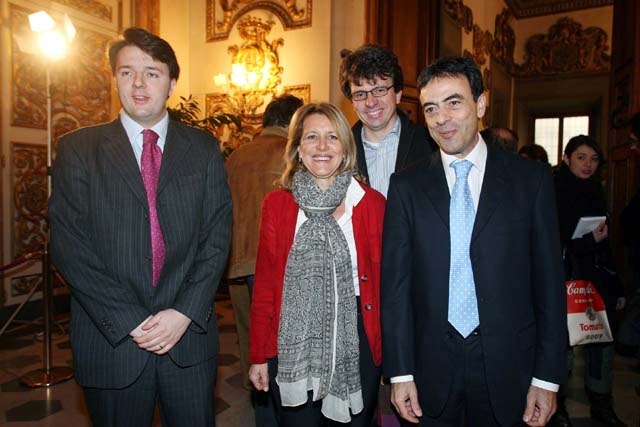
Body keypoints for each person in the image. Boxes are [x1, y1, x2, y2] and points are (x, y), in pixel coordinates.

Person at [49, 28, 232, 426]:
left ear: (172, 82)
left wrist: (183, 312)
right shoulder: (79, 150)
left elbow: (216, 238)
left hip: (188, 341)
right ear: (114, 78)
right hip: (111, 340)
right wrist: (131, 318)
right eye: (126, 71)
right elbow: (68, 245)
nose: (138, 83)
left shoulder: (202, 150)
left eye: (152, 72)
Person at [381, 56, 566, 427]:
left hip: (509, 365)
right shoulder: (406, 186)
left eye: (454, 102)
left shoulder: (531, 180)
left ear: (480, 104)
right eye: (431, 108)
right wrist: (400, 373)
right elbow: (396, 288)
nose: (441, 118)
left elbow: (549, 284)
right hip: (430, 367)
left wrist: (547, 377)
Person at [248, 103, 385, 426]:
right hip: (292, 343)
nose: (322, 147)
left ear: (345, 148)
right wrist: (257, 355)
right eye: (312, 137)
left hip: (357, 341)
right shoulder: (277, 205)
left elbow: (386, 287)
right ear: (297, 147)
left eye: (332, 137)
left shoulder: (371, 204)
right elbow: (266, 286)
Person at [225, 93, 302, 426]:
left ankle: (257, 396)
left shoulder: (236, 156)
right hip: (280, 263)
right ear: (292, 122)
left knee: (250, 339)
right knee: (285, 342)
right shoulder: (292, 153)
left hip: (237, 261)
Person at [552, 135, 627, 427]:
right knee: (565, 347)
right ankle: (556, 408)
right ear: (566, 158)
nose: (588, 164)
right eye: (581, 157)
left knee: (601, 344)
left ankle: (601, 404)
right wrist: (586, 240)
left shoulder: (598, 190)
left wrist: (617, 284)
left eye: (594, 159)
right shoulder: (554, 191)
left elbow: (606, 247)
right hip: (566, 279)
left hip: (597, 281)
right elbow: (552, 242)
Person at [339, 44, 433, 197]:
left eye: (379, 90)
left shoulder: (430, 143)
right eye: (360, 94)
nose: (370, 102)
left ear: (397, 94)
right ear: (352, 102)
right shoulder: (340, 151)